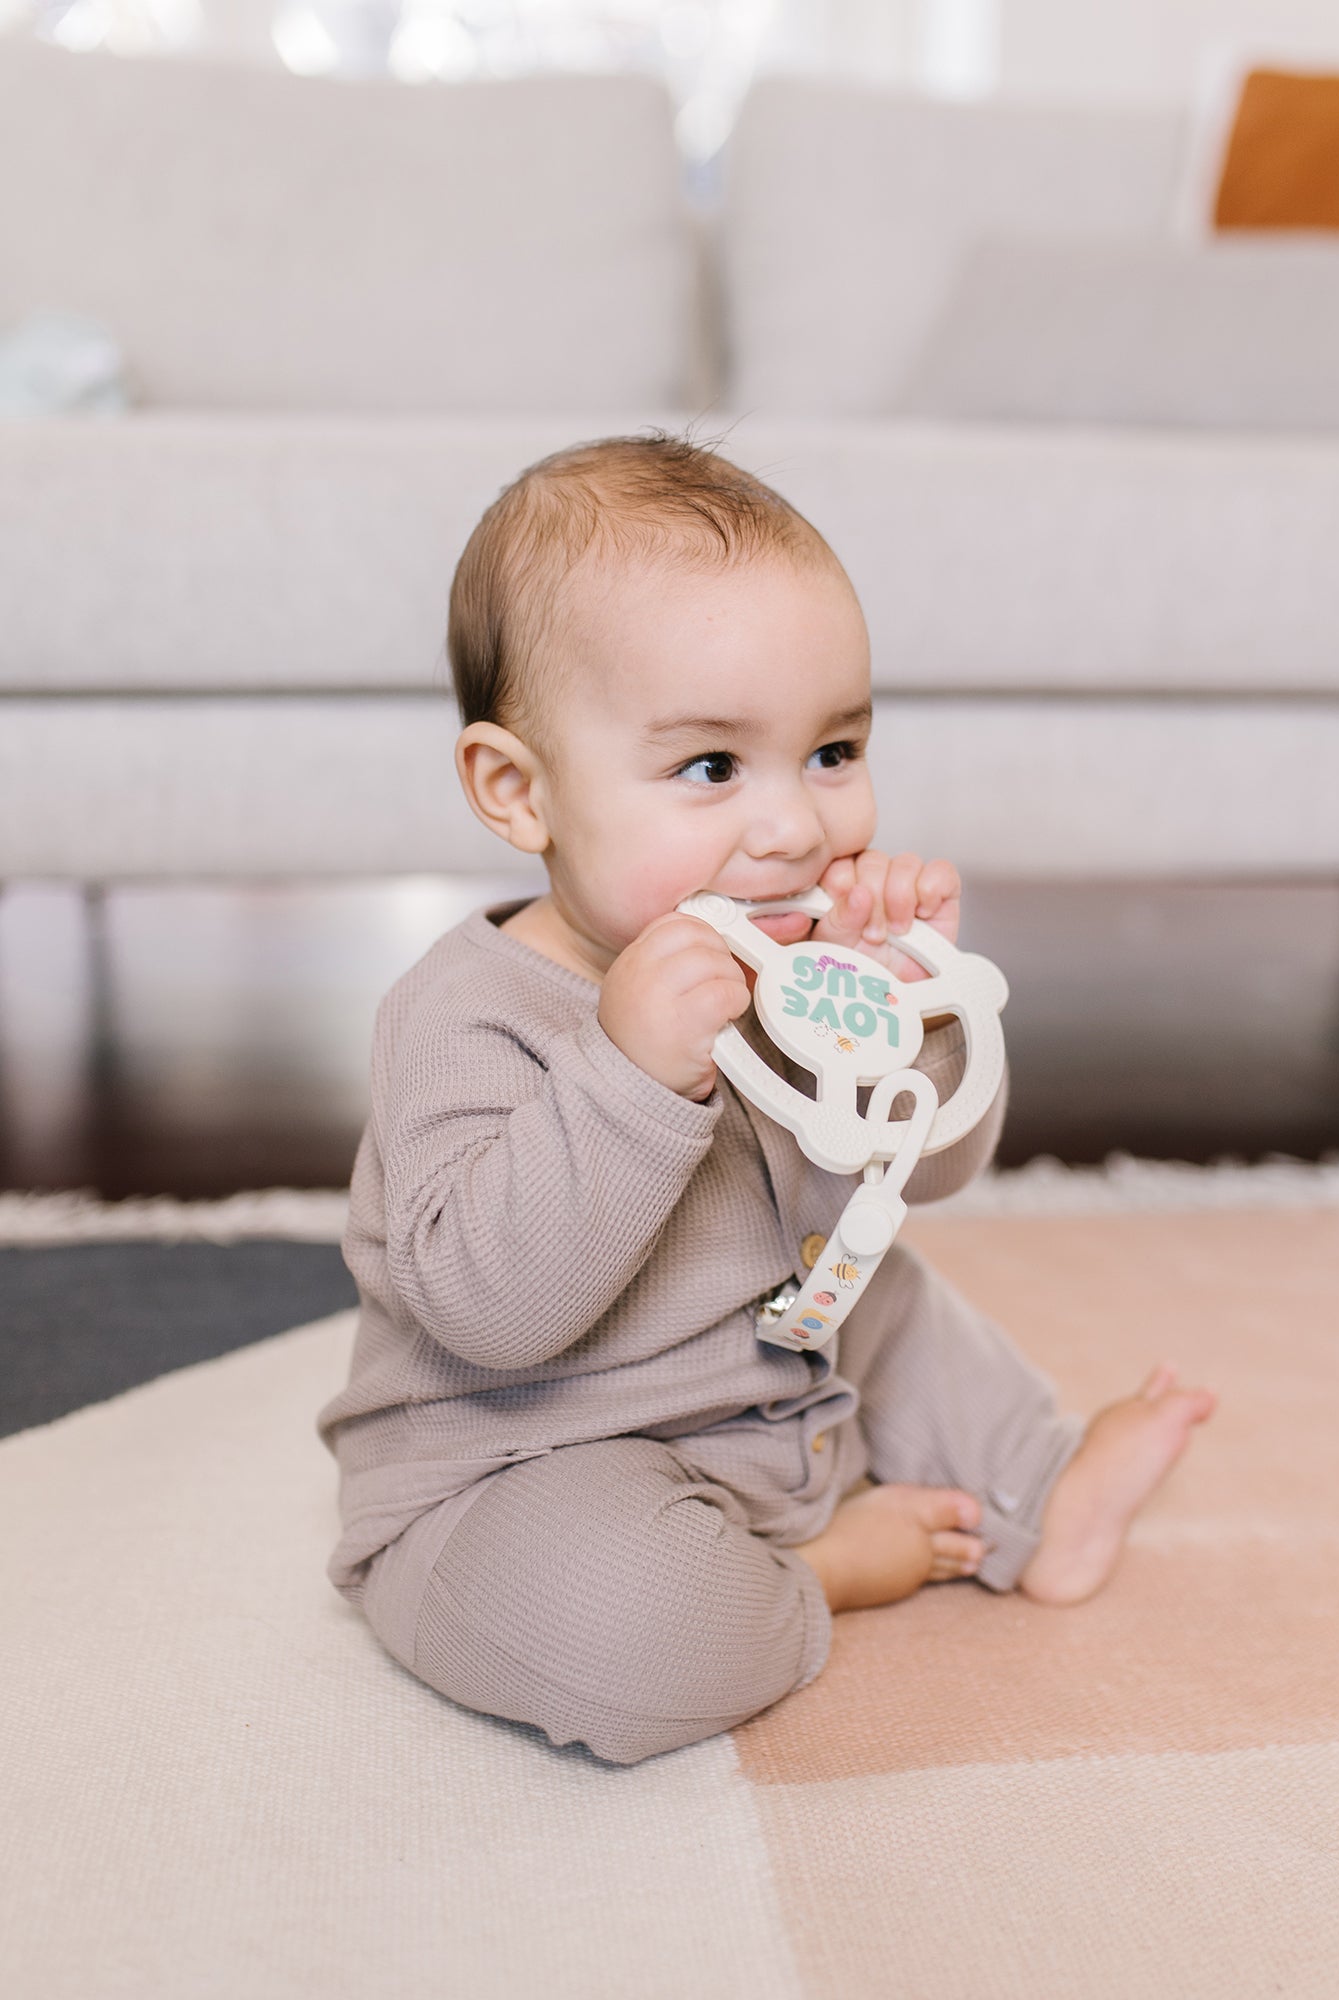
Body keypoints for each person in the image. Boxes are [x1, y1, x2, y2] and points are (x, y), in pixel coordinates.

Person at [316, 432, 1216, 1764]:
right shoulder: (461, 1014)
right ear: (521, 791)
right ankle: (820, 1575)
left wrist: (913, 1004)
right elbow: (483, 1312)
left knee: (889, 1299)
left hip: (781, 1378)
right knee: (634, 1637)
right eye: (711, 770)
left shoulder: (798, 963)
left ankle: (1046, 1491)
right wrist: (625, 1074)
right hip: (526, 1461)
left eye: (834, 751)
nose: (796, 827)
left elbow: (931, 1165)